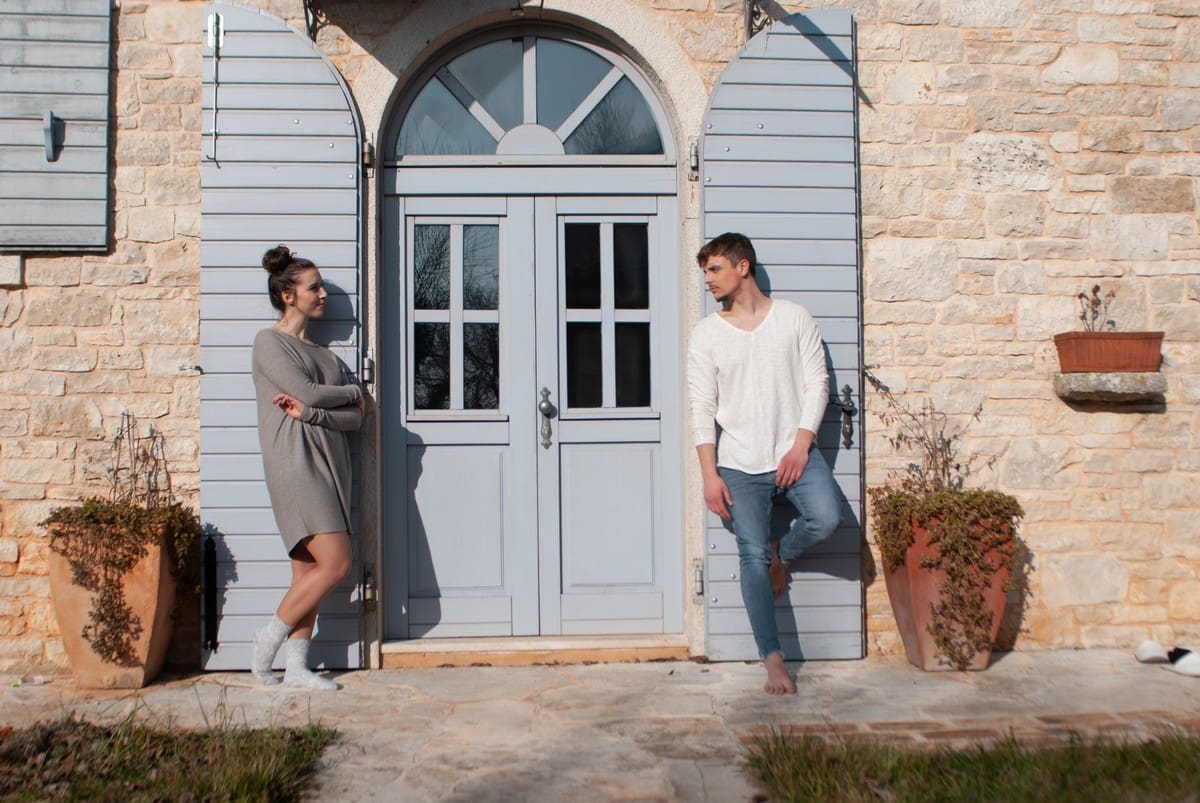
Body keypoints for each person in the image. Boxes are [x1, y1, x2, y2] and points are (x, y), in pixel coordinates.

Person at [687, 232, 841, 695]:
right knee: (750, 557)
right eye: (705, 272)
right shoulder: (707, 334)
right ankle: (772, 659)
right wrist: (709, 475)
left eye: (715, 269)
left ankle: (783, 554)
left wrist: (801, 445)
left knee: (827, 518)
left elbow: (817, 384)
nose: (708, 280)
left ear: (743, 267)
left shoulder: (793, 318)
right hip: (738, 463)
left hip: (794, 453)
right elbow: (701, 407)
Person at [250, 244, 363, 690]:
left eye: (321, 288)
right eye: (314, 288)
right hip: (295, 463)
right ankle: (266, 641)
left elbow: (354, 420)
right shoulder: (269, 342)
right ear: (287, 296)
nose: (323, 295)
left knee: (306, 571)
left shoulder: (327, 357)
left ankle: (296, 667)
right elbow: (311, 392)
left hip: (332, 464)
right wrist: (353, 392)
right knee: (337, 564)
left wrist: (318, 412)